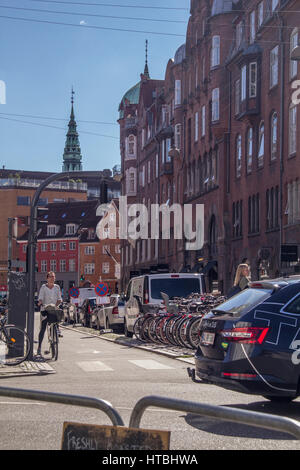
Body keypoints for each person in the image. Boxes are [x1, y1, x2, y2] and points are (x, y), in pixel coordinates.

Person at [37, 271, 62, 356]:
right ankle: (39, 347)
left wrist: (57, 304)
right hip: (45, 309)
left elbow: (59, 298)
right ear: (47, 278)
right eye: (50, 277)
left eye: (53, 277)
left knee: (55, 321)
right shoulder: (43, 287)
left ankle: (56, 332)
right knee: (43, 328)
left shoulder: (57, 287)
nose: (52, 278)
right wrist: (40, 302)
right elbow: (40, 297)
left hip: (53, 309)